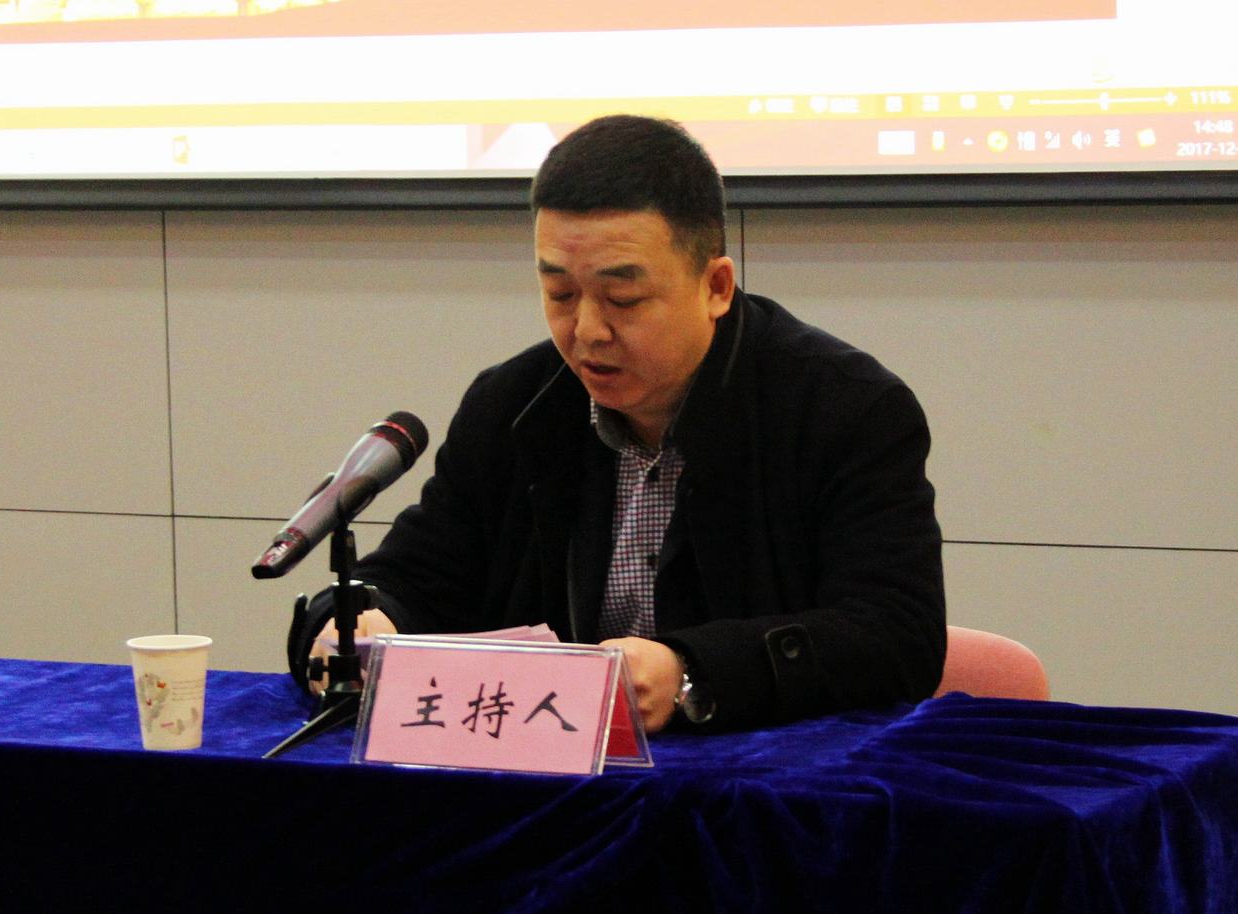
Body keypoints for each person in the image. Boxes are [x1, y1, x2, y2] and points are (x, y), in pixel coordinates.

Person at [294, 114, 946, 734]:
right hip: (548, 777)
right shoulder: (511, 406)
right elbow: (418, 577)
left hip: (762, 785)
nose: (586, 331)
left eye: (623, 298)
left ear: (716, 287)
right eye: (559, 293)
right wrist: (357, 625)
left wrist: (691, 671)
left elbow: (895, 635)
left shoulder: (845, 410)